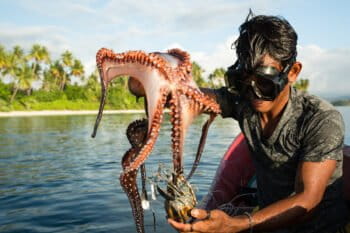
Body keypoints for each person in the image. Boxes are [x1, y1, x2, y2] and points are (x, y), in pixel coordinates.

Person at [168, 12, 349, 233]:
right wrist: (159, 83)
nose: (253, 93)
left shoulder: (320, 119)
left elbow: (307, 199)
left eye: (264, 83)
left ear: (292, 72)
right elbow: (189, 97)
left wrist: (238, 224)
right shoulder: (244, 104)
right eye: (244, 80)